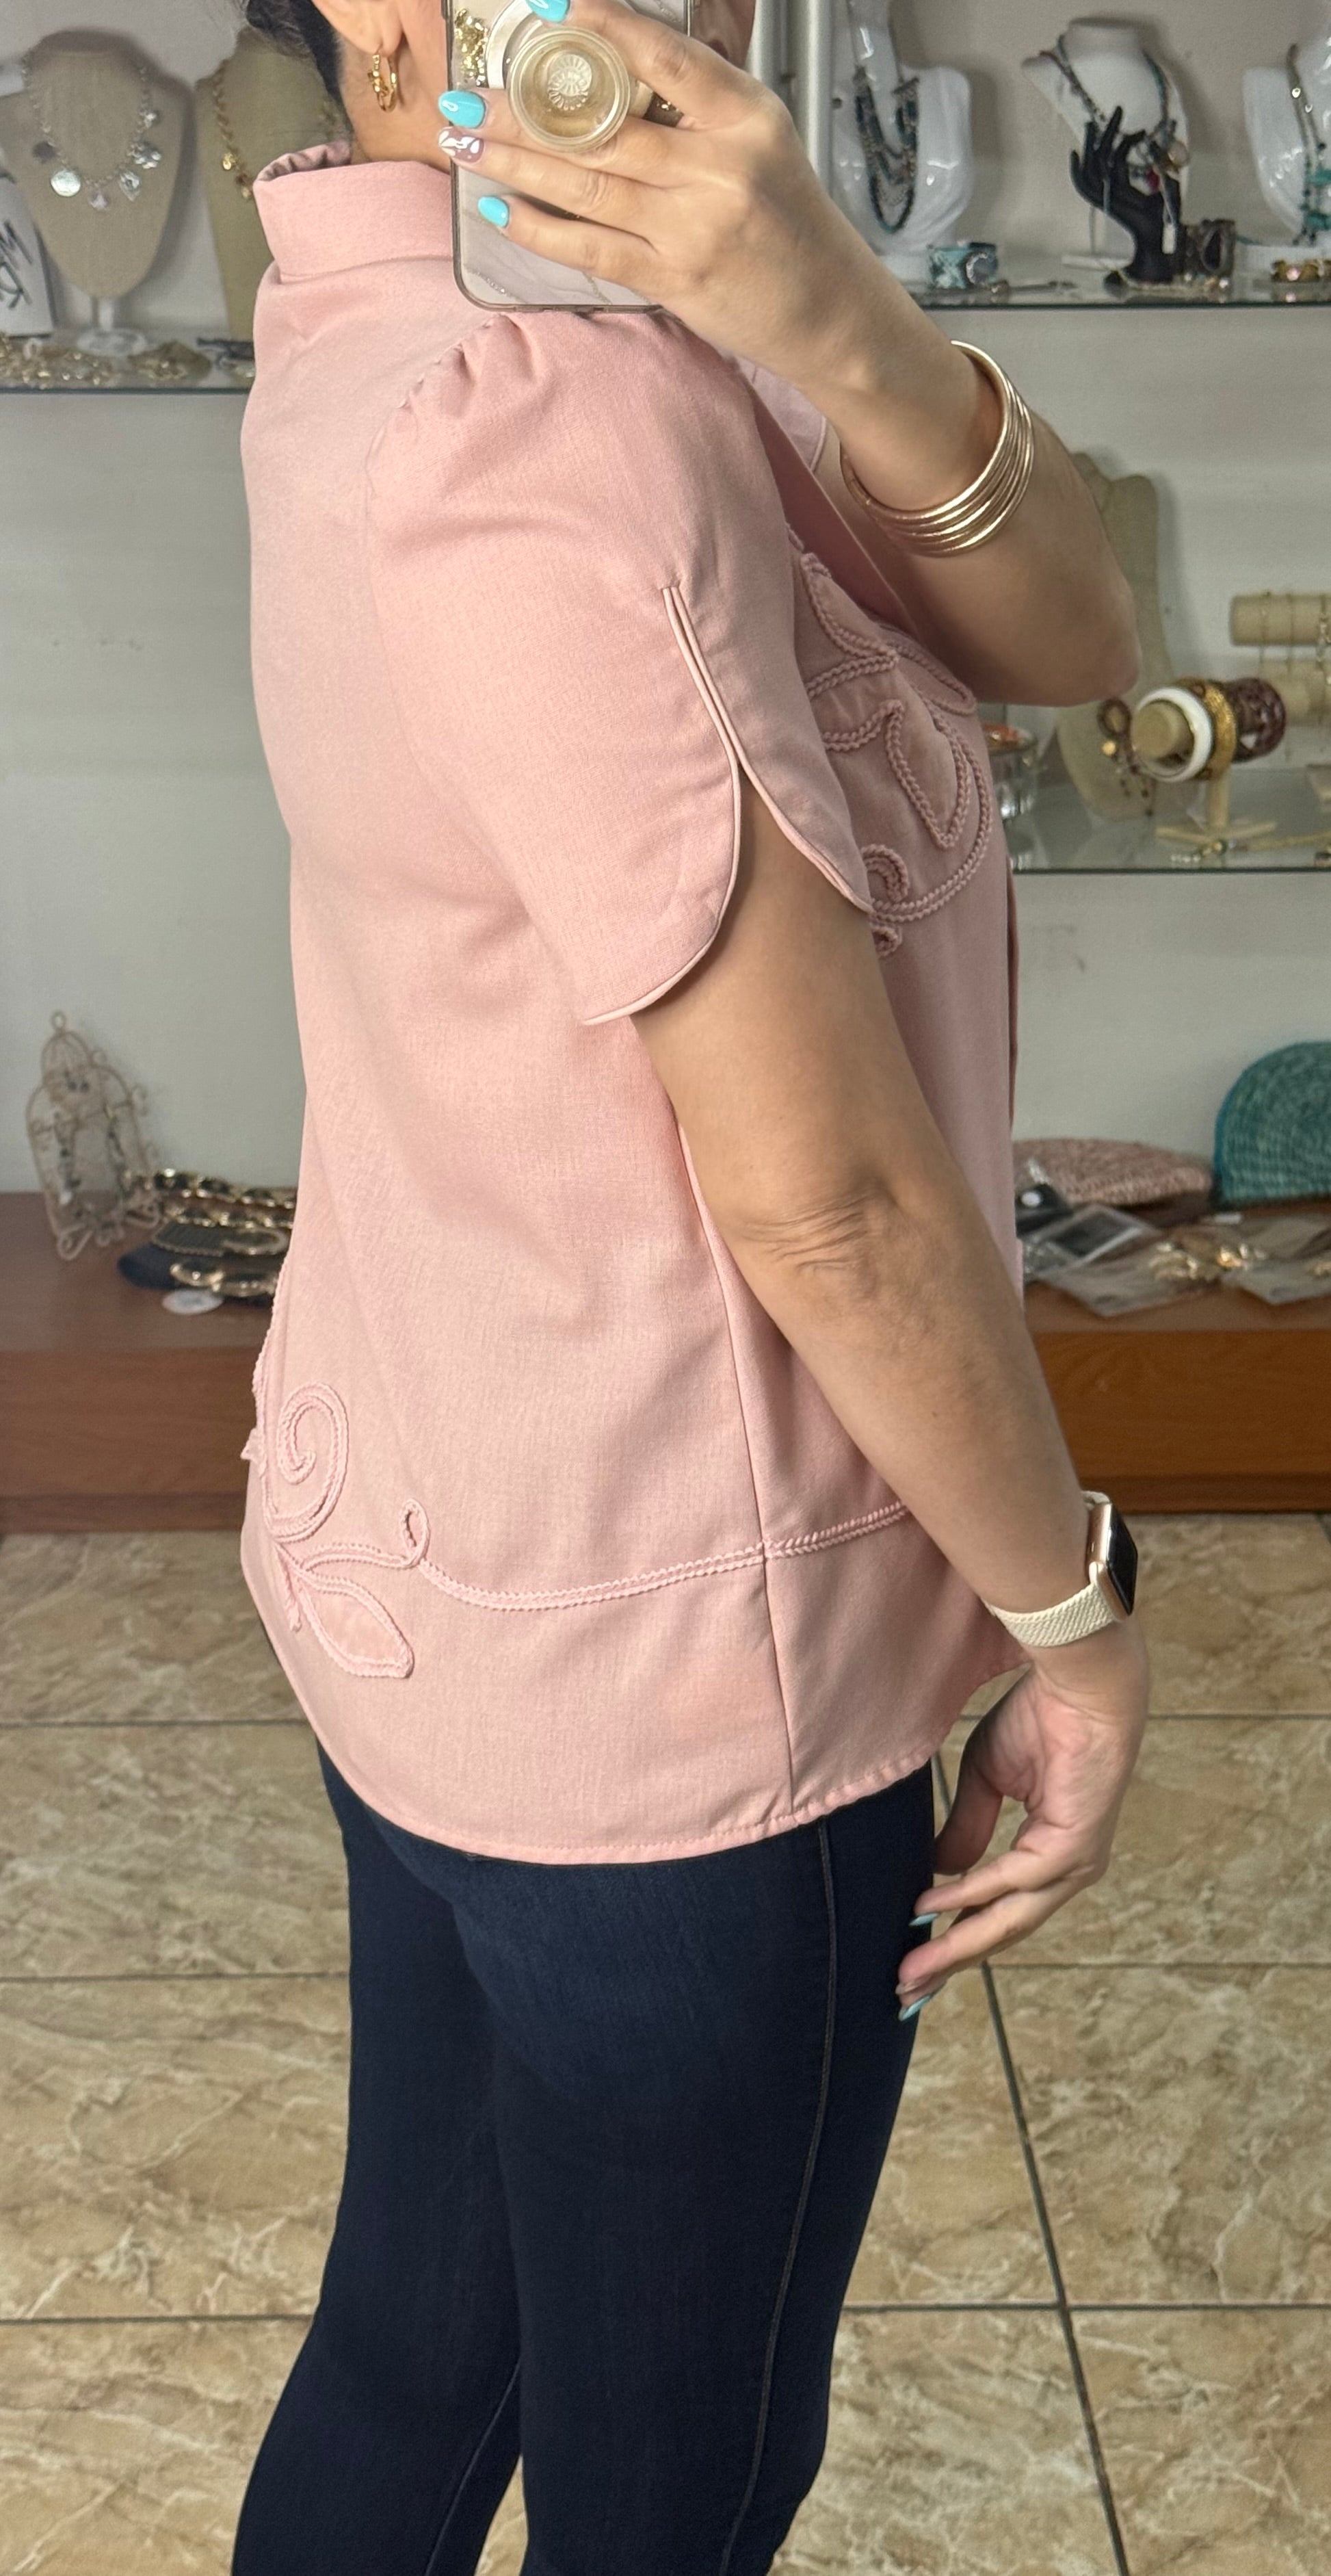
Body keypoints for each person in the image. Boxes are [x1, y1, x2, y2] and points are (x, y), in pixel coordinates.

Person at [230, 2, 1146, 2568]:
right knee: (678, 2480)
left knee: (418, 2358)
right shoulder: (562, 417)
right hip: (681, 1656)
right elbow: (826, 1194)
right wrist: (1072, 1618)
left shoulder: (419, 317)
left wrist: (826, 304)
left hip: (447, 1551)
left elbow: (1076, 637)